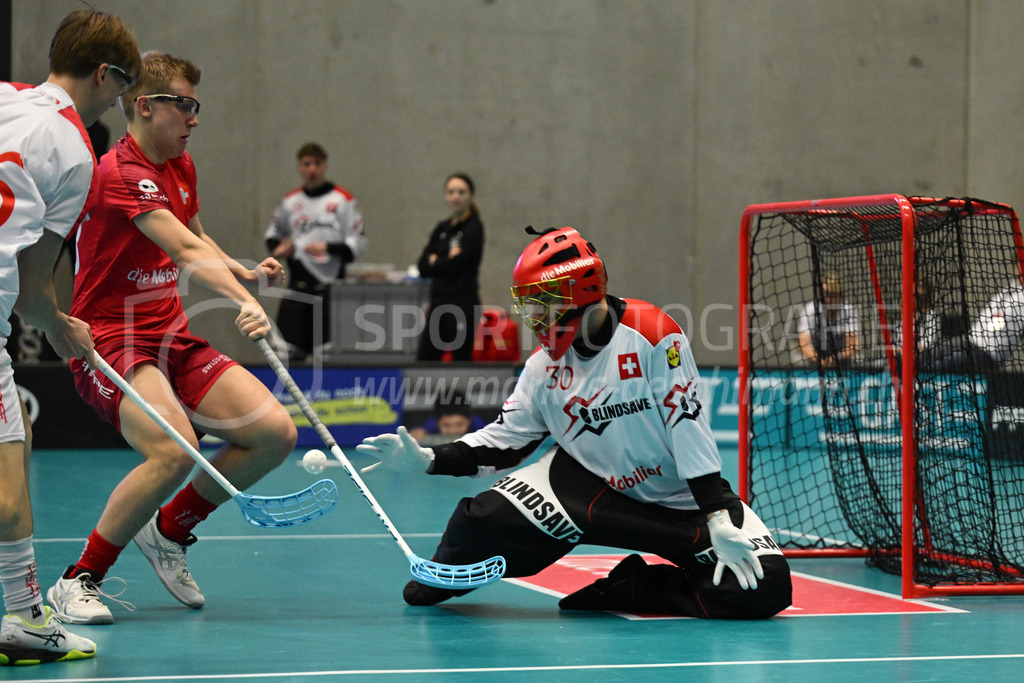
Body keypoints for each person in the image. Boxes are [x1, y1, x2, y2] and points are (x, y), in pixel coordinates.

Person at [358, 226, 792, 618]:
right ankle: (444, 576)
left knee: (766, 586)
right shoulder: (542, 368)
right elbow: (505, 441)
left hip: (681, 502)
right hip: (584, 486)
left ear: (578, 294)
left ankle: (630, 588)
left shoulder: (653, 334)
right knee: (477, 521)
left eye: (541, 305)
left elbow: (688, 426)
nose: (533, 319)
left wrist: (716, 519)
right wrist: (429, 460)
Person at [45, 51, 297, 626]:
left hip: (168, 334)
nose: (194, 117)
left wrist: (241, 271)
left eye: (195, 105)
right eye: (183, 104)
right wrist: (246, 305)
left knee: (273, 434)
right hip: (109, 341)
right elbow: (182, 253)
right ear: (145, 105)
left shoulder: (179, 167)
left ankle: (170, 532)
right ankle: (78, 578)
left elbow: (195, 238)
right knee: (173, 447)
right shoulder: (121, 175)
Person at [0, 9, 139, 666]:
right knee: (6, 484)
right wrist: (63, 327)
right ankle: (27, 617)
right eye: (124, 85)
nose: (122, 100)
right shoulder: (77, 149)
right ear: (103, 73)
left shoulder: (5, 98)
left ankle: (26, 613)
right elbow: (32, 291)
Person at [265, 143, 367, 361]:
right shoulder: (290, 201)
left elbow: (358, 242)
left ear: (325, 166)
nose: (312, 169)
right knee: (287, 355)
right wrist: (279, 248)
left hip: (331, 291)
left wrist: (328, 247)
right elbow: (272, 234)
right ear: (299, 167)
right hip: (297, 288)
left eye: (317, 164)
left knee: (327, 357)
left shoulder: (342, 200)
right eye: (306, 164)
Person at [415, 173, 484, 362]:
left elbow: (459, 266)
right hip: (438, 303)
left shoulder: (474, 228)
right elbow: (422, 266)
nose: (456, 197)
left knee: (461, 360)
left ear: (471, 196)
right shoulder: (442, 228)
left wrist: (436, 260)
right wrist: (446, 259)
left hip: (462, 305)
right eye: (451, 192)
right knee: (425, 360)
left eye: (461, 192)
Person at [923, 262, 1024, 372]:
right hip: (972, 342)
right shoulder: (1011, 287)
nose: (1018, 268)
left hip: (987, 354)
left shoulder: (1021, 298)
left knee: (935, 365)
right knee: (928, 356)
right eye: (1018, 264)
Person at [796, 272, 860, 367]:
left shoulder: (848, 311)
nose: (828, 299)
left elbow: (853, 345)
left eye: (832, 295)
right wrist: (819, 360)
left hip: (842, 362)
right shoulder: (810, 310)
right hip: (815, 362)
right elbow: (803, 344)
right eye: (825, 294)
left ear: (840, 295)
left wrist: (836, 358)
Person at [407, 389, 487, 446]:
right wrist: (417, 433)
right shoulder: (431, 425)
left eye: (460, 424)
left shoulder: (481, 427)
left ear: (470, 420)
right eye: (446, 425)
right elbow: (418, 432)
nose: (453, 431)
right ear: (436, 423)